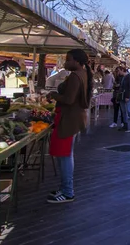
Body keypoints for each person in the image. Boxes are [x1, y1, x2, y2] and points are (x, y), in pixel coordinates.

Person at [46, 49, 92, 204]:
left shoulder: (75, 76)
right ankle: (65, 188)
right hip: (72, 118)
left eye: (68, 59)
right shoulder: (82, 74)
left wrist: (53, 96)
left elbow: (69, 99)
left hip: (68, 119)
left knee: (65, 156)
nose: (66, 62)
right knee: (65, 155)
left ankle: (67, 191)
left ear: (77, 61)